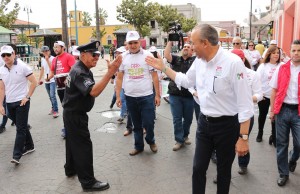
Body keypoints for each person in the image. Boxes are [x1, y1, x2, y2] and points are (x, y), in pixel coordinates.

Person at [146, 24, 253, 194]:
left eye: (193, 43)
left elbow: (245, 104)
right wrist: (164, 68)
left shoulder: (233, 63)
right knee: (198, 169)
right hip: (204, 123)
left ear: (204, 43)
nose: (191, 47)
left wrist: (243, 138)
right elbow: (187, 81)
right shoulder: (199, 62)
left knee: (223, 172)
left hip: (227, 126)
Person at [62, 41, 122, 192]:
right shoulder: (80, 71)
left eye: (97, 54)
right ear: (82, 55)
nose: (96, 57)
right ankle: (88, 182)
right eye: (93, 55)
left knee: (72, 143)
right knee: (83, 147)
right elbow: (93, 91)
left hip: (72, 113)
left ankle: (70, 169)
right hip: (75, 114)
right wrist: (110, 72)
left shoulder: (83, 68)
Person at [115, 30, 161, 156]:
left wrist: (157, 95)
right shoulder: (122, 57)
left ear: (139, 42)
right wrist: (118, 96)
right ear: (127, 43)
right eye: (130, 43)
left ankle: (151, 141)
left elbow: (155, 76)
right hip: (130, 97)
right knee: (136, 124)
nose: (133, 45)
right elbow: (119, 78)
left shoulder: (148, 55)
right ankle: (138, 146)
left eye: (135, 42)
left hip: (146, 96)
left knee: (149, 122)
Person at [269, 39, 300, 187]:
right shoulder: (282, 68)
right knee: (281, 144)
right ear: (290, 51)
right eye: (294, 50)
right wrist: (272, 111)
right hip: (282, 110)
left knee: (299, 143)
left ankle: (293, 159)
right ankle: (283, 173)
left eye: (299, 51)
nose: (296, 53)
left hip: (298, 112)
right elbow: (274, 89)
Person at [0, 45, 37, 164]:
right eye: (3, 55)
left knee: (20, 129)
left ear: (13, 54)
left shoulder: (22, 66)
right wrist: (1, 105)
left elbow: (34, 82)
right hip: (9, 103)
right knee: (22, 125)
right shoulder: (1, 70)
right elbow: (1, 88)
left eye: (8, 55)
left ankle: (16, 155)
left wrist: (27, 97)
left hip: (22, 102)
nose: (5, 57)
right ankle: (30, 145)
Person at [231, 49, 263, 174]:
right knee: (227, 143)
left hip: (246, 114)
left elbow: (259, 94)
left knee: (243, 139)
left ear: (243, 60)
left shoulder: (252, 74)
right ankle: (223, 170)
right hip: (229, 114)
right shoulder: (225, 73)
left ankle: (243, 163)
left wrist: (249, 99)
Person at [164, 41, 196, 151]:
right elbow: (166, 55)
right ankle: (179, 140)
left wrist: (194, 42)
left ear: (192, 51)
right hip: (175, 94)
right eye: (184, 47)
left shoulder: (195, 61)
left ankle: (185, 135)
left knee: (188, 119)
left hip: (189, 95)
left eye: (188, 47)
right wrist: (170, 42)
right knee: (177, 118)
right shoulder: (176, 59)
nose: (186, 48)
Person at [47, 41, 75, 138]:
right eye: (54, 47)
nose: (55, 49)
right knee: (66, 108)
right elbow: (52, 71)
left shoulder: (68, 57)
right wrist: (47, 78)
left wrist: (68, 80)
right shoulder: (54, 59)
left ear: (63, 47)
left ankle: (67, 128)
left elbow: (74, 70)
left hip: (69, 87)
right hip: (59, 88)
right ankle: (69, 127)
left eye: (57, 47)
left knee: (69, 108)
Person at [256, 46, 283, 144]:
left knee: (274, 117)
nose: (276, 54)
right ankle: (260, 132)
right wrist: (260, 93)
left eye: (278, 53)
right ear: (269, 54)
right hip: (264, 96)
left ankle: (273, 136)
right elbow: (257, 80)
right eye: (274, 53)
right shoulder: (263, 66)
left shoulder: (281, 65)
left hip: (277, 97)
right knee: (262, 115)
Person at [38, 46, 59, 118]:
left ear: (49, 51)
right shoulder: (42, 59)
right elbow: (42, 69)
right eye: (44, 52)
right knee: (50, 96)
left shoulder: (53, 58)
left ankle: (56, 110)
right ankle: (53, 107)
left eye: (46, 51)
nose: (45, 53)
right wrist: (39, 79)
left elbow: (52, 69)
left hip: (53, 79)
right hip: (46, 79)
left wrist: (47, 60)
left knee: (52, 95)